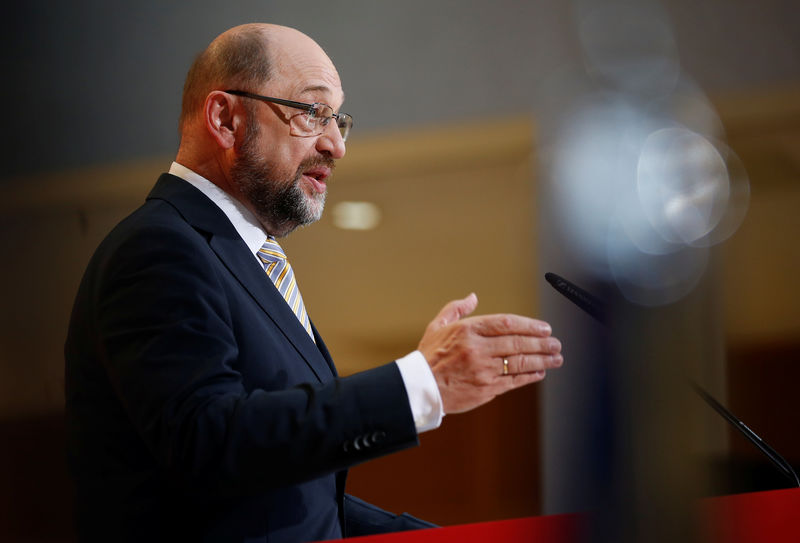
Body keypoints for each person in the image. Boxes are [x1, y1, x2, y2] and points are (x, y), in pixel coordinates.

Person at [64, 23, 563, 542]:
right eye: (312, 113)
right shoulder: (158, 248)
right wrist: (420, 382)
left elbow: (293, 503)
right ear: (225, 118)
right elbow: (209, 446)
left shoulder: (247, 259)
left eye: (338, 120)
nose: (335, 145)